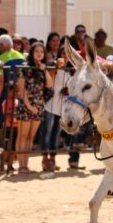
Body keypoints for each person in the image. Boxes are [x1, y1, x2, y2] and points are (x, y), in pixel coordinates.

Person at [15, 42, 52, 174]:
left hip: (38, 106)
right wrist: (29, 106)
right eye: (36, 51)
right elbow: (21, 88)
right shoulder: (24, 67)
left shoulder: (42, 68)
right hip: (26, 106)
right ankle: (21, 166)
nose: (39, 53)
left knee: (31, 137)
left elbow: (49, 85)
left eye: (42, 52)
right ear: (32, 52)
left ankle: (26, 165)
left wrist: (45, 70)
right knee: (22, 136)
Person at [41, 46, 71, 172]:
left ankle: (52, 159)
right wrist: (56, 66)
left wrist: (67, 92)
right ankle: (45, 159)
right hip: (49, 105)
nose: (65, 56)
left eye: (68, 54)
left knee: (56, 134)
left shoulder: (71, 71)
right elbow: (50, 79)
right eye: (63, 53)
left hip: (61, 107)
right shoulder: (53, 65)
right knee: (46, 133)